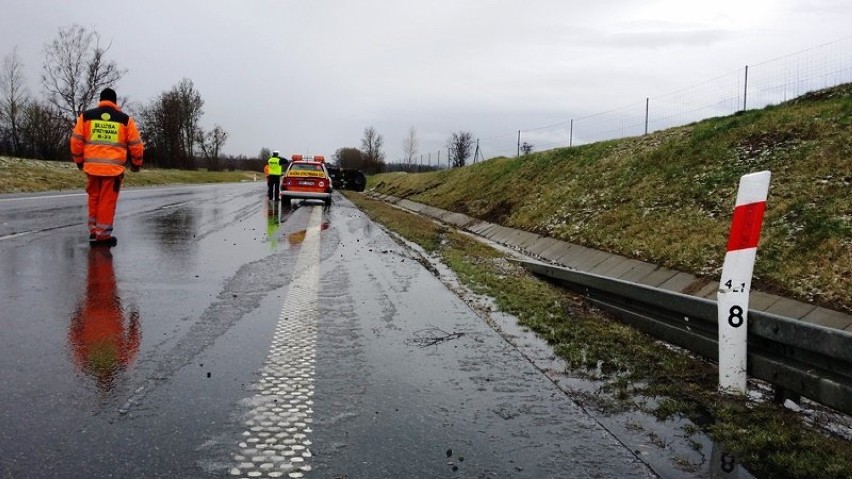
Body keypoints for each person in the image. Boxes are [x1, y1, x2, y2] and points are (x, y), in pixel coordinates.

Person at [70, 88, 144, 247]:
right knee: (106, 202)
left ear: (101, 100)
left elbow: (76, 141)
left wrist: (79, 161)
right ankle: (102, 236)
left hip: (92, 168)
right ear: (115, 102)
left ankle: (93, 231)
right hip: (112, 170)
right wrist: (136, 164)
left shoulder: (86, 117)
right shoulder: (125, 120)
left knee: (94, 198)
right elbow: (136, 145)